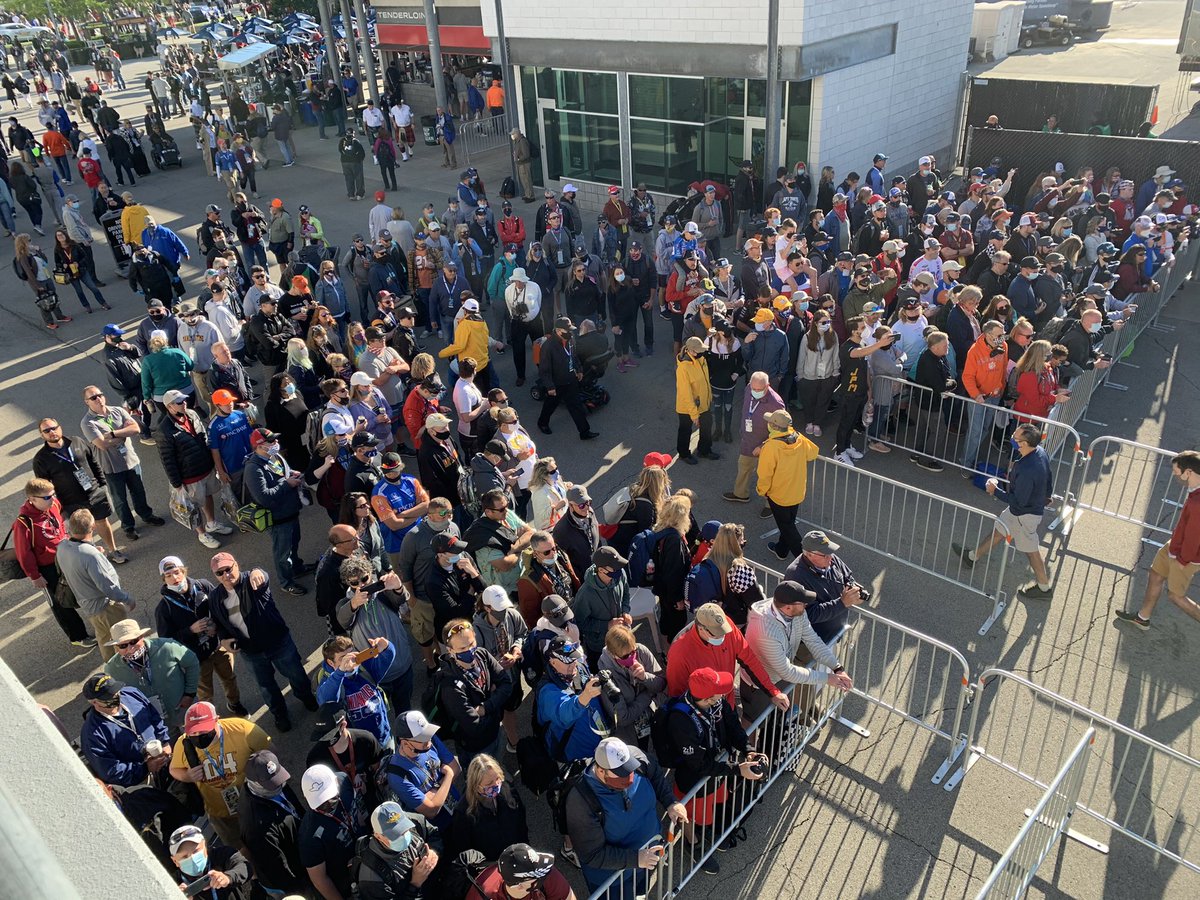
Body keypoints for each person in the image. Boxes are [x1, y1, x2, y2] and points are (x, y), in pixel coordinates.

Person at [661, 667, 766, 872]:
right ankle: (694, 844)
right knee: (689, 816)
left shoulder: (717, 703)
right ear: (707, 698)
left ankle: (708, 829)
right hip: (693, 780)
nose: (725, 692)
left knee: (713, 806)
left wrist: (749, 750)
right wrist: (738, 770)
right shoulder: (680, 720)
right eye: (719, 690)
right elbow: (698, 764)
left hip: (718, 772)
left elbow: (734, 727)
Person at [208, 551, 320, 732]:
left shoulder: (252, 582)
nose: (226, 575)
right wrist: (224, 640)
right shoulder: (215, 597)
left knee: (296, 674)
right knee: (267, 686)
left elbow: (263, 577)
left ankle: (307, 697)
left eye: (228, 569)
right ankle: (280, 714)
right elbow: (219, 623)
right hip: (251, 652)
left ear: (236, 565)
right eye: (219, 573)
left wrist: (258, 571)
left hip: (278, 643)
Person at [564, 736, 688, 895]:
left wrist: (671, 802)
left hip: (644, 861)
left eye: (629, 769)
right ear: (601, 771)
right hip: (613, 880)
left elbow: (656, 775)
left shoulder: (634, 757)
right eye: (621, 773)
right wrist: (636, 859)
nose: (630, 777)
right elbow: (592, 854)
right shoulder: (580, 801)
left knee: (640, 894)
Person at [954, 423, 1055, 600]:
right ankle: (972, 556)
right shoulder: (1040, 452)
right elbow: (1049, 476)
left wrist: (995, 491)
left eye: (1016, 438)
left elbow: (1019, 501)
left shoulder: (1026, 469)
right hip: (1023, 511)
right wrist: (1047, 495)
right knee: (1000, 530)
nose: (1012, 439)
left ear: (1024, 444)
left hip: (1024, 514)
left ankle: (1044, 588)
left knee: (1031, 550)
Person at [743, 580, 854, 721]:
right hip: (760, 684)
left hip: (780, 677)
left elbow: (812, 640)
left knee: (775, 721)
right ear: (788, 607)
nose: (806, 605)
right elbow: (787, 671)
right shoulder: (765, 631)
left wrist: (837, 667)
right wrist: (827, 678)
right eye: (802, 602)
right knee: (753, 720)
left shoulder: (797, 613)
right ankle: (748, 743)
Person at [1114, 450, 1200, 630]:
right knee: (1155, 574)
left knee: (1176, 596)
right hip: (1175, 547)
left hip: (1185, 556)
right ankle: (1142, 618)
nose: (1175, 473)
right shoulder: (1194, 492)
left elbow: (1194, 538)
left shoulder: (1197, 503)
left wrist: (1182, 560)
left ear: (1189, 472)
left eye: (1177, 470)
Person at [169, 700, 272, 848]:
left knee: (266, 841)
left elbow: (271, 753)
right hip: (220, 814)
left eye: (203, 731)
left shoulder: (243, 729)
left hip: (254, 803)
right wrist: (188, 776)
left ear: (217, 720)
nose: (198, 736)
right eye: (193, 733)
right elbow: (174, 769)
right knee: (238, 848)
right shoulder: (183, 744)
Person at [155, 555, 246, 717]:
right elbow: (166, 642)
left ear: (183, 571)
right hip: (195, 658)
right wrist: (190, 630)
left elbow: (221, 608)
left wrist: (216, 627)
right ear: (163, 579)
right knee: (205, 692)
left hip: (218, 646)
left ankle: (234, 703)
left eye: (177, 572)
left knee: (229, 678)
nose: (174, 578)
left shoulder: (202, 585)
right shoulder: (164, 608)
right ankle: (210, 718)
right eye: (168, 576)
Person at [11, 478, 95, 646]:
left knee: (82, 591)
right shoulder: (24, 523)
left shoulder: (54, 504)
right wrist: (34, 576)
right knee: (62, 603)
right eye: (47, 497)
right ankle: (78, 636)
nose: (53, 499)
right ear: (32, 499)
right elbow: (23, 553)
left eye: (53, 494)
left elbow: (61, 522)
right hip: (47, 568)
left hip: (66, 558)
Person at [32, 418, 126, 563]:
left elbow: (94, 463)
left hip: (94, 492)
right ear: (41, 435)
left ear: (60, 427)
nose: (52, 432)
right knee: (81, 532)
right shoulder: (41, 458)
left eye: (54, 428)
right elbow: (44, 486)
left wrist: (103, 486)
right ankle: (92, 558)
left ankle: (113, 551)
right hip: (70, 500)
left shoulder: (76, 441)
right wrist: (56, 506)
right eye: (47, 430)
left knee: (102, 521)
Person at [79, 386, 165, 542]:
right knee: (120, 499)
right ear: (87, 402)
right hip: (112, 467)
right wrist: (124, 434)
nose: (98, 399)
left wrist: (113, 434)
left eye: (100, 395)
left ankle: (146, 515)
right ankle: (128, 526)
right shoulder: (87, 422)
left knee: (139, 491)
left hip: (131, 461)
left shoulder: (118, 410)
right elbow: (101, 444)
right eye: (93, 398)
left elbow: (136, 428)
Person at [665, 602, 787, 709]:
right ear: (701, 628)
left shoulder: (725, 625)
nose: (723, 637)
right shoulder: (679, 653)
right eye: (716, 635)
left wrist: (773, 692)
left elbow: (749, 660)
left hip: (728, 705)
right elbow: (677, 696)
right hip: (703, 717)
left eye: (723, 632)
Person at [335, 555, 415, 714]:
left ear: (370, 573)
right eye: (354, 583)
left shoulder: (384, 592)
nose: (361, 585)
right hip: (374, 675)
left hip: (402, 665)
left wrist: (398, 587)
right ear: (347, 583)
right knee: (378, 713)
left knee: (404, 709)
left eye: (364, 578)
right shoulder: (345, 604)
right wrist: (354, 603)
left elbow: (402, 599)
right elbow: (342, 620)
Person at [55, 509, 135, 660]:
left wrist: (93, 551)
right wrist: (127, 599)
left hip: (89, 607)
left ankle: (111, 670)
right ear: (92, 528)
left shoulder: (63, 547)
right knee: (125, 641)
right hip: (106, 608)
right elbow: (108, 587)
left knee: (105, 640)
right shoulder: (90, 555)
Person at [157, 389, 232, 549]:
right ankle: (202, 533)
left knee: (208, 495)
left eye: (184, 400)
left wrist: (213, 463)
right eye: (179, 402)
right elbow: (167, 460)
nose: (184, 403)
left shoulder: (191, 414)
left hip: (205, 468)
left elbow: (203, 436)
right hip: (189, 476)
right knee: (194, 506)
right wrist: (177, 484)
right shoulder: (164, 430)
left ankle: (211, 523)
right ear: (169, 406)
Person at [102, 618, 200, 737]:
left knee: (200, 741)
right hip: (155, 722)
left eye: (133, 641)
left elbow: (192, 662)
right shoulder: (111, 669)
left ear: (142, 637)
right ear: (116, 647)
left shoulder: (167, 646)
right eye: (123, 645)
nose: (130, 648)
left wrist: (190, 693)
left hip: (184, 708)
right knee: (174, 750)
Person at [244, 426, 311, 596]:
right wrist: (286, 483)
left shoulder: (275, 457)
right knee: (283, 553)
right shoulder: (253, 469)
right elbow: (264, 497)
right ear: (260, 446)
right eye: (271, 441)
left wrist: (291, 474)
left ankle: (297, 567)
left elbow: (284, 473)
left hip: (291, 512)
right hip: (278, 519)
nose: (276, 443)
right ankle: (286, 582)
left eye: (275, 439)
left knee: (294, 543)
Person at [438, 618, 513, 767]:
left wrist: (485, 707)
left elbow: (507, 684)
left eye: (471, 644)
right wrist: (496, 698)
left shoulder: (482, 655)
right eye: (462, 649)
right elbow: (474, 727)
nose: (469, 651)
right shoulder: (450, 685)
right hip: (475, 748)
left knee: (497, 761)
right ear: (450, 650)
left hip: (495, 732)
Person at [238, 749, 309, 896]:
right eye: (272, 784)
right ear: (254, 783)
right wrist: (300, 891)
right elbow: (277, 869)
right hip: (288, 879)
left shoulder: (273, 786)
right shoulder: (258, 827)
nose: (279, 785)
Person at [79, 673, 170, 787]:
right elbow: (110, 771)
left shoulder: (131, 694)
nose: (116, 695)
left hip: (162, 757)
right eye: (109, 695)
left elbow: (154, 717)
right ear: (94, 702)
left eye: (116, 690)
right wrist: (145, 768)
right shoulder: (92, 734)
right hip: (139, 782)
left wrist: (164, 741)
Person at [782, 530, 866, 645]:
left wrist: (854, 589)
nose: (830, 557)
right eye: (825, 554)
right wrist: (842, 603)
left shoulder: (830, 558)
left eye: (830, 552)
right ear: (810, 554)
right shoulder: (795, 575)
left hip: (836, 631)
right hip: (815, 643)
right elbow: (808, 615)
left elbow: (848, 576)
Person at [757, 409, 820, 560]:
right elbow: (813, 453)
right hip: (797, 491)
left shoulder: (771, 446)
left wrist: (762, 491)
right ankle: (781, 549)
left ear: (774, 426)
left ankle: (807, 563)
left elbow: (765, 474)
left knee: (788, 528)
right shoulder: (798, 438)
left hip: (779, 495)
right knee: (788, 523)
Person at [299, 762, 364, 900]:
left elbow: (355, 806)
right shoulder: (309, 838)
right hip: (345, 880)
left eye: (330, 796)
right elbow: (320, 880)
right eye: (320, 800)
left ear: (336, 781)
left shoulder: (344, 780)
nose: (327, 803)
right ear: (306, 798)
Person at [596, 623, 666, 748]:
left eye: (633, 651)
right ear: (613, 655)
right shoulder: (606, 676)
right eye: (626, 656)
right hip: (630, 734)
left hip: (652, 715)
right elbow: (623, 718)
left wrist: (645, 677)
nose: (632, 657)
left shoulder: (642, 651)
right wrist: (649, 694)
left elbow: (661, 684)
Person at [354, 801, 441, 899]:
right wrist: (415, 884)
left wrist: (434, 852)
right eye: (394, 835)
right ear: (378, 836)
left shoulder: (414, 821)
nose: (403, 836)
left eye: (404, 829)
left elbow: (434, 834)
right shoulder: (372, 879)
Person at [536, 316, 598, 440]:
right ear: (558, 331)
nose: (570, 332)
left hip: (570, 379)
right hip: (557, 383)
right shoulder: (548, 347)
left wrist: (579, 369)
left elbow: (573, 356)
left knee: (576, 405)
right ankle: (542, 423)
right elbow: (544, 369)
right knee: (550, 405)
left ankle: (584, 432)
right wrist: (550, 386)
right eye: (567, 330)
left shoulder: (570, 339)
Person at [572, 546, 632, 669]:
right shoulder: (585, 594)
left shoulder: (620, 575)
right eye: (614, 568)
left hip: (620, 640)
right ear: (601, 570)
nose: (619, 570)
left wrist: (625, 611)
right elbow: (580, 623)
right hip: (598, 646)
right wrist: (607, 625)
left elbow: (626, 594)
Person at [167, 824, 254, 900]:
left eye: (196, 851)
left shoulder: (222, 854)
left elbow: (245, 867)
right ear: (175, 861)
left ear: (204, 845)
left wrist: (227, 877)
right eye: (184, 856)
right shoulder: (171, 882)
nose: (192, 858)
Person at [552, 486, 601, 582]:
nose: (586, 507)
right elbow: (564, 564)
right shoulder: (561, 530)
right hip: (584, 579)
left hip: (600, 569)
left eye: (588, 502)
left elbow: (596, 537)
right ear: (571, 505)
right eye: (581, 505)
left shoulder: (590, 512)